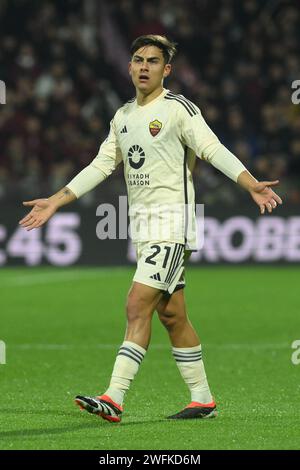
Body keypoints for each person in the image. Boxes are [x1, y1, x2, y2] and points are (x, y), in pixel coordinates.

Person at [19, 35, 283, 422]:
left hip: (172, 226)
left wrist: (250, 183)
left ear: (166, 70)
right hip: (143, 230)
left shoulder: (179, 110)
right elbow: (101, 165)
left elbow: (212, 148)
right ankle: (203, 400)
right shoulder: (123, 117)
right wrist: (56, 201)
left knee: (136, 303)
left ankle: (114, 396)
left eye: (153, 61)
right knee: (172, 316)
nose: (144, 67)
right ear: (129, 66)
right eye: (138, 60)